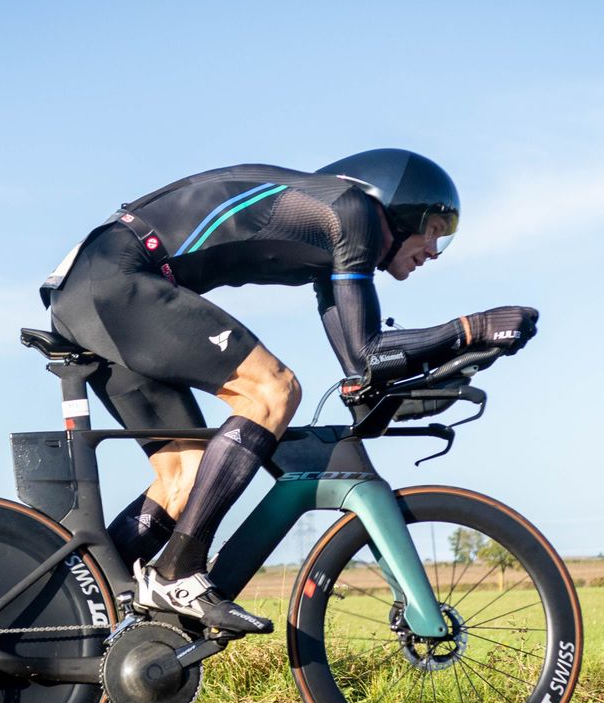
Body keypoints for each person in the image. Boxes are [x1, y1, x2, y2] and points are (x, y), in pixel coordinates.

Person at [40, 149, 538, 635]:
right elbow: (371, 351)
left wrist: (455, 362)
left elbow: (362, 367)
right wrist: (470, 328)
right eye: (432, 231)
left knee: (186, 478)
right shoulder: (354, 212)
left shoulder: (332, 249)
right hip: (120, 277)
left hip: (95, 287)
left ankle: (75, 606)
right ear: (397, 207)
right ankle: (179, 572)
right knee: (273, 390)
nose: (433, 251)